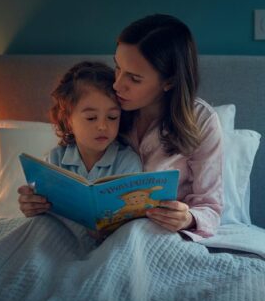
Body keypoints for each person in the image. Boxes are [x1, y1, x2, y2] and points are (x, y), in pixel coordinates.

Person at [19, 14, 223, 241]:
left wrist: (188, 218)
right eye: (117, 68)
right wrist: (37, 202)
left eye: (134, 79)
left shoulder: (201, 121)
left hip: (157, 234)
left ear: (169, 81)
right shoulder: (107, 106)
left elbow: (210, 206)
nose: (117, 84)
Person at [17, 61, 143, 220]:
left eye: (112, 117)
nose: (103, 126)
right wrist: (32, 206)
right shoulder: (54, 160)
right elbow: (43, 212)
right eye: (91, 118)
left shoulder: (127, 161)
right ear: (68, 120)